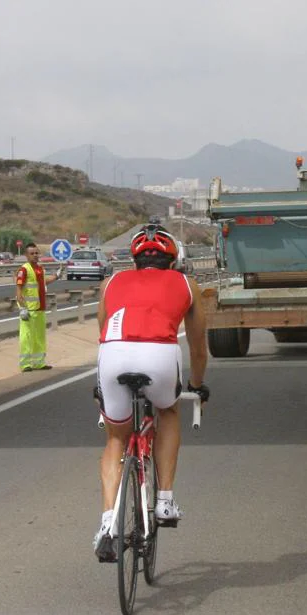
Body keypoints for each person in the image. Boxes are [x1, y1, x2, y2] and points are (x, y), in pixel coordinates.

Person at [93, 224, 208, 560]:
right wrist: (197, 386)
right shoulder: (187, 284)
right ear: (172, 261)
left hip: (113, 355)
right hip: (159, 354)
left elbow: (103, 331)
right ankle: (165, 501)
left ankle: (107, 525)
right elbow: (199, 348)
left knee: (115, 439)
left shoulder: (111, 282)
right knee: (169, 411)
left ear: (135, 259)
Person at [14, 242, 61, 372]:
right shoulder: (24, 270)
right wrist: (22, 308)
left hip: (40, 308)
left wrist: (56, 276)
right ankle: (25, 364)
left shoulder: (40, 269)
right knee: (27, 337)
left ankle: (39, 362)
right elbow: (18, 290)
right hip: (29, 310)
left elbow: (44, 282)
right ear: (26, 255)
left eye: (36, 253)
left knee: (39, 337)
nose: (35, 255)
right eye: (32, 253)